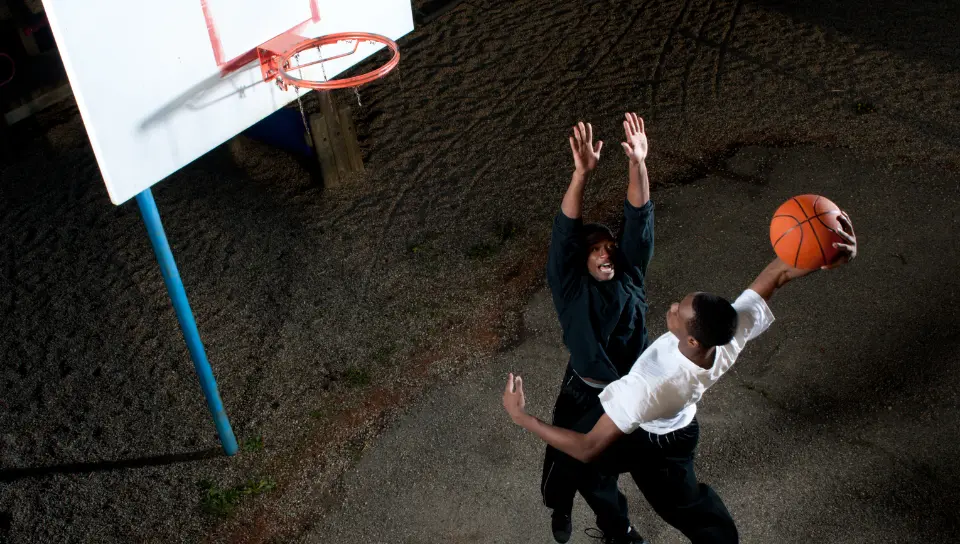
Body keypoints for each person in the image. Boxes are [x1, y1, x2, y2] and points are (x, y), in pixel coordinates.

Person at [504, 217, 858, 543]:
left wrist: (522, 417)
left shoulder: (649, 386)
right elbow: (777, 273)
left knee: (670, 500)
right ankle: (620, 529)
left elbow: (589, 445)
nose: (672, 306)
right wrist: (826, 255)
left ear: (691, 339)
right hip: (677, 424)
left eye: (678, 311)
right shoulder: (729, 331)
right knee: (587, 468)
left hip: (659, 445)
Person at [540, 112, 653, 544]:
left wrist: (637, 163)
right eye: (596, 250)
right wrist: (580, 175)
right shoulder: (570, 289)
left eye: (610, 247)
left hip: (626, 393)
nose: (606, 253)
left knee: (598, 470)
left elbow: (639, 220)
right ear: (582, 261)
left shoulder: (630, 277)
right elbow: (565, 232)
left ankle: (618, 531)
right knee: (559, 471)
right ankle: (560, 505)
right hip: (583, 391)